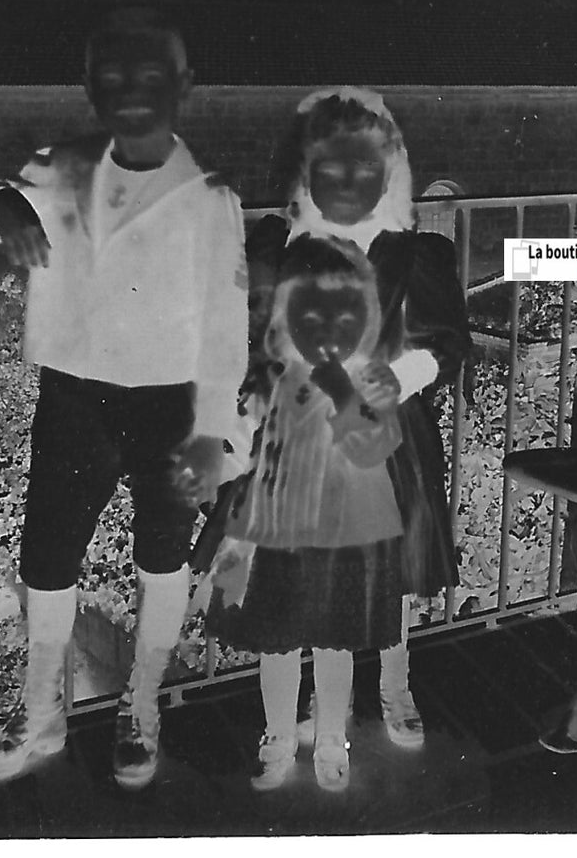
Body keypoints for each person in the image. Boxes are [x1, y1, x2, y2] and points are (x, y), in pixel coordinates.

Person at [0, 8, 248, 790]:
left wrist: (213, 435)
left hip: (171, 406)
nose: (132, 94)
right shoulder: (59, 166)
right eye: (114, 79)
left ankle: (142, 705)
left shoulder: (207, 196)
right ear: (90, 87)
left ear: (183, 86)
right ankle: (41, 708)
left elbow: (226, 329)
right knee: (48, 558)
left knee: (162, 558)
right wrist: (3, 204)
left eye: (152, 79)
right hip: (74, 396)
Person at [244, 86, 471, 750]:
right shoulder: (282, 244)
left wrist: (403, 374)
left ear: (389, 173)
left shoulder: (412, 251)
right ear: (306, 172)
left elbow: (448, 344)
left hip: (388, 434)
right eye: (331, 170)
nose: (348, 184)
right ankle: (309, 709)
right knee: (309, 570)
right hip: (304, 438)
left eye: (365, 170)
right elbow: (254, 337)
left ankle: (393, 684)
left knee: (389, 565)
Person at [204, 238, 406, 792]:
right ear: (287, 318)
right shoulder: (271, 378)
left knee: (334, 642)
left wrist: (345, 398)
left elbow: (375, 446)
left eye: (344, 316)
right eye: (311, 316)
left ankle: (333, 738)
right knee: (278, 641)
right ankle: (277, 736)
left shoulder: (370, 380)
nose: (328, 330)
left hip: (342, 540)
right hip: (277, 536)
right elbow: (240, 448)